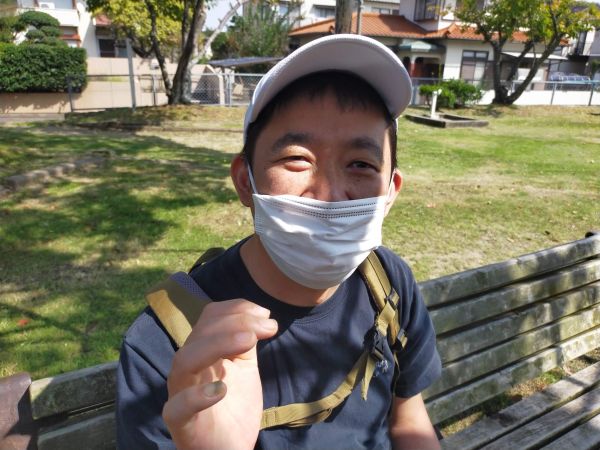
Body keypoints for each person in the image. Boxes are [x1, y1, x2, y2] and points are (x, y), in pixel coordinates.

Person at [116, 34, 442, 450]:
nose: (328, 194)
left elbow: (409, 420)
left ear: (390, 192)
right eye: (296, 159)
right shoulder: (165, 344)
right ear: (245, 182)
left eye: (361, 164)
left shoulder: (389, 282)